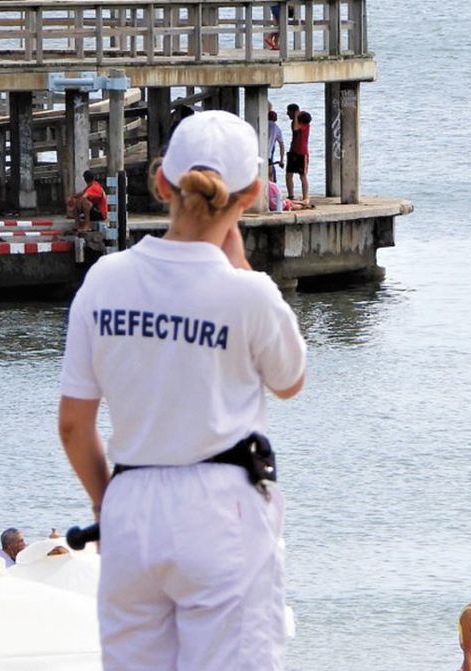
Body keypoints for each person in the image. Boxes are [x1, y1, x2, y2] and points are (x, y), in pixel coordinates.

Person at [58, 110, 307, 671]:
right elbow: (290, 382)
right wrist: (240, 265)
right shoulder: (248, 294)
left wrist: (110, 508)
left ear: (163, 182)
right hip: (221, 508)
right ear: (249, 197)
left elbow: (75, 426)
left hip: (130, 501)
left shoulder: (105, 280)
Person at [285, 104, 311, 204]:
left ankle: (305, 197)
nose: (287, 114)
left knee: (302, 175)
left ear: (294, 111)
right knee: (288, 174)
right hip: (293, 150)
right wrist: (295, 117)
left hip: (302, 151)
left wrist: (296, 115)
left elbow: (296, 128)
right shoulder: (294, 122)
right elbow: (294, 127)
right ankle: (291, 195)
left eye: (289, 112)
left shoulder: (304, 121)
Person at [267, 110, 285, 185]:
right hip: (268, 154)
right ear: (276, 119)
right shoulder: (277, 129)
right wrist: (281, 160)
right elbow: (281, 145)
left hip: (256, 153)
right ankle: (271, 191)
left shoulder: (261, 124)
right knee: (270, 174)